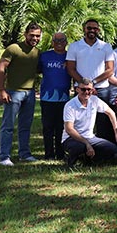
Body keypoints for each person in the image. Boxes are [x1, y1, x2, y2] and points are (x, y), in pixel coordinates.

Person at [0, 22, 42, 165]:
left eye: (37, 36)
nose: (35, 38)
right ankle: (4, 156)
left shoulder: (37, 52)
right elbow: (1, 68)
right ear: (25, 34)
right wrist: (2, 90)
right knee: (8, 126)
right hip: (13, 92)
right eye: (32, 35)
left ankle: (24, 154)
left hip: (29, 94)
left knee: (25, 126)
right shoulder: (13, 49)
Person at [62, 79, 117, 167]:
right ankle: (71, 162)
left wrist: (116, 132)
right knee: (80, 147)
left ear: (93, 90)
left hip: (90, 137)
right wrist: (87, 143)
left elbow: (110, 112)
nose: (86, 92)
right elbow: (69, 129)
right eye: (83, 89)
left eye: (89, 89)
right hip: (71, 138)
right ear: (77, 89)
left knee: (112, 149)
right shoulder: (70, 105)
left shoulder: (94, 100)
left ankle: (89, 160)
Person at [38, 31, 72, 161]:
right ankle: (49, 154)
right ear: (52, 42)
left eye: (62, 40)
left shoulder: (70, 57)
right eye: (56, 41)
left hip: (63, 98)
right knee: (48, 128)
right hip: (47, 98)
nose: (59, 43)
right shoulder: (44, 56)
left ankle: (60, 153)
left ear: (66, 42)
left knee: (61, 127)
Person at [66, 18, 115, 103]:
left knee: (102, 116)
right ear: (84, 29)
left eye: (95, 28)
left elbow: (110, 70)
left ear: (98, 30)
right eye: (89, 28)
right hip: (81, 89)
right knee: (81, 116)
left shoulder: (106, 46)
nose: (92, 30)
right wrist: (85, 85)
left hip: (101, 89)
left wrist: (92, 83)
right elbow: (70, 69)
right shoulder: (74, 46)